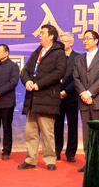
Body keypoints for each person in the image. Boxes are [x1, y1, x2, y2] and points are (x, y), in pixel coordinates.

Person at [19, 25, 66, 171]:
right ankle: (30, 159)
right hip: (32, 98)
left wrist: (39, 84)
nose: (39, 36)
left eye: (42, 33)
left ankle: (50, 159)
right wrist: (27, 81)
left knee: (47, 132)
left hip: (47, 98)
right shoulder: (37, 51)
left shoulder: (59, 53)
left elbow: (59, 72)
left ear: (51, 36)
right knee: (31, 133)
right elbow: (25, 70)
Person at [73, 29, 99, 172]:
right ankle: (89, 162)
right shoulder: (78, 59)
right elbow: (76, 78)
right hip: (84, 101)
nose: (85, 41)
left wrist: (90, 93)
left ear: (96, 41)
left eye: (88, 38)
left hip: (98, 101)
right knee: (87, 134)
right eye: (84, 39)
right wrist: (84, 94)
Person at [0, 44, 20, 160]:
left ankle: (6, 151)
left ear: (6, 53)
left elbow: (13, 83)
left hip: (7, 102)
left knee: (7, 128)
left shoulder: (13, 66)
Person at [54, 32, 80, 162]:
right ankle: (56, 151)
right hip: (56, 96)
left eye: (64, 41)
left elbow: (77, 77)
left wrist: (66, 91)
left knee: (72, 125)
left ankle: (70, 153)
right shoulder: (55, 56)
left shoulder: (78, 58)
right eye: (60, 41)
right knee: (57, 125)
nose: (61, 43)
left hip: (72, 96)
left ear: (71, 43)